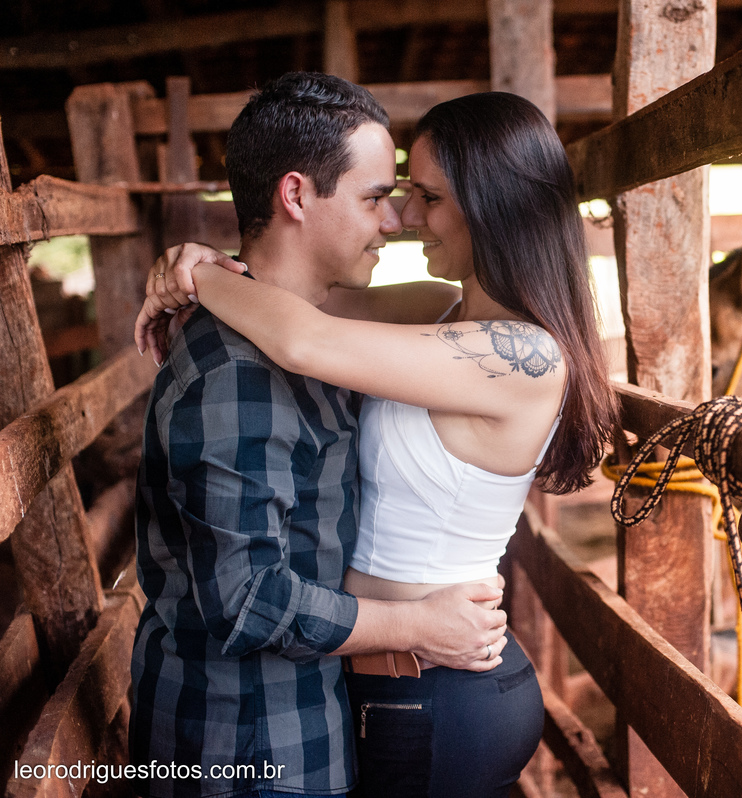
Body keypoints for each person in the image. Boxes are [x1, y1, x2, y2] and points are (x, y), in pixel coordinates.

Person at [137, 91, 619, 797]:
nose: (406, 218)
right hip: (393, 677)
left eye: (427, 196)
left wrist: (200, 277)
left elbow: (304, 338)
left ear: (492, 204)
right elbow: (297, 301)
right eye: (396, 194)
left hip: (435, 683)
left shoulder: (526, 356)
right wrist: (188, 263)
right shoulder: (438, 309)